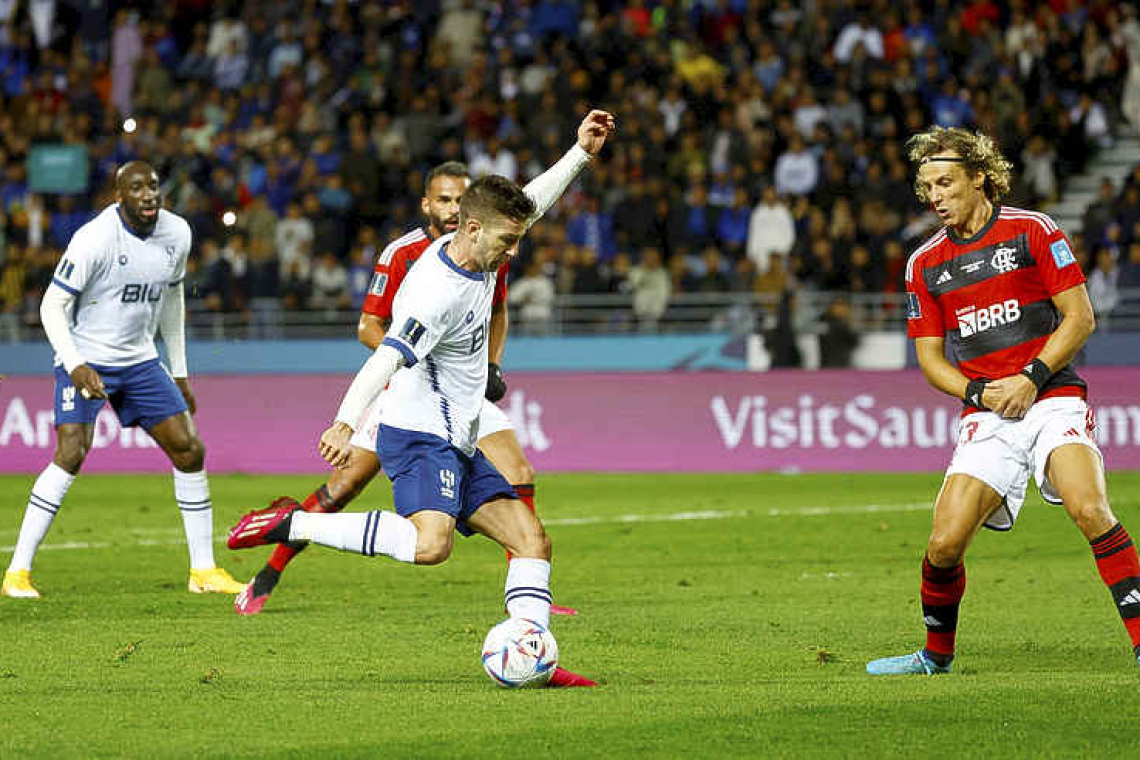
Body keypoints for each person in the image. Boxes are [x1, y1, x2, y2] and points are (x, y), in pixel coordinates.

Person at [228, 109, 615, 688]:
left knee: (532, 537)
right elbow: (383, 354)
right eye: (507, 243)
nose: (513, 253)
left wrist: (581, 152)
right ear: (473, 229)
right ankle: (296, 524)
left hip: (458, 434)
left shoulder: (484, 243)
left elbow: (533, 202)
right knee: (431, 546)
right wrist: (342, 422)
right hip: (416, 433)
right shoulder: (433, 293)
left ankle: (534, 651)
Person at [867, 127, 1140, 676]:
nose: (935, 196)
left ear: (980, 178)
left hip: (1051, 399)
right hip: (986, 414)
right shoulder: (924, 263)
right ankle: (935, 657)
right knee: (944, 543)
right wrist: (977, 391)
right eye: (927, 188)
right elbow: (930, 359)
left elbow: (1080, 317)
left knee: (1090, 509)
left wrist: (1031, 377)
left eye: (945, 182)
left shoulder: (1032, 231)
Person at [2, 162, 244, 599]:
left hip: (140, 360)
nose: (149, 194)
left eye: (153, 187)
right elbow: (51, 306)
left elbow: (173, 302)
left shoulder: (178, 234)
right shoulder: (94, 238)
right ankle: (17, 572)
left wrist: (180, 370)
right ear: (119, 196)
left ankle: (203, 571)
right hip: (86, 355)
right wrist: (74, 363)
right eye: (137, 188)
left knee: (190, 449)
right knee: (72, 450)